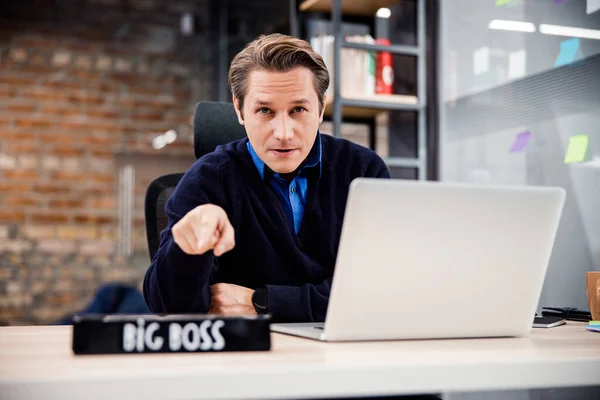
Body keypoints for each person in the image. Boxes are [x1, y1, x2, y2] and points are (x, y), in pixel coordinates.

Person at [143, 33, 390, 322]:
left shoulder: (363, 171)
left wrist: (263, 302)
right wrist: (184, 250)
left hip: (343, 352)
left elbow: (382, 290)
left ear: (321, 108)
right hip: (245, 354)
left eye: (298, 109)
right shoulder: (207, 180)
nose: (283, 133)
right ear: (239, 110)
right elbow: (167, 309)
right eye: (264, 111)